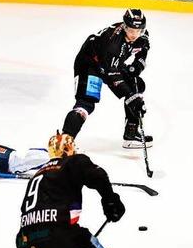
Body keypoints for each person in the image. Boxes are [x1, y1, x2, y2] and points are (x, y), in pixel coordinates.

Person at [15, 132, 148, 248]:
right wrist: (110, 201)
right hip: (62, 236)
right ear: (70, 149)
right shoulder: (73, 161)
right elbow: (98, 175)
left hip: (28, 242)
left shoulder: (37, 175)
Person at [62, 9, 153, 149]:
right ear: (124, 26)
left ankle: (131, 134)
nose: (134, 34)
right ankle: (64, 143)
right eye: (130, 30)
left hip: (111, 64)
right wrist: (130, 96)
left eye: (138, 30)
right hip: (90, 64)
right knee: (86, 103)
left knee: (137, 85)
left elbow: (143, 50)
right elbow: (111, 74)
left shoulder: (142, 35)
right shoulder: (113, 44)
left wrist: (137, 67)